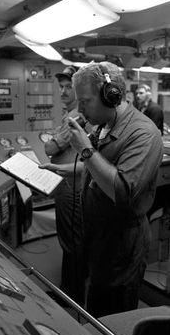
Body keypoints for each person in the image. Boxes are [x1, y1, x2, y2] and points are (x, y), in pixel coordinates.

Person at [67, 62, 163, 318]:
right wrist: (66, 168)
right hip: (99, 236)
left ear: (112, 95)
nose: (80, 108)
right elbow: (104, 166)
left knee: (112, 313)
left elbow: (121, 190)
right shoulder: (105, 123)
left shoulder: (143, 133)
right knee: (96, 303)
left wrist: (85, 150)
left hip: (122, 243)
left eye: (85, 101)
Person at [43, 65, 88, 307]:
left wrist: (51, 141)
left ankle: (72, 296)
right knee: (69, 238)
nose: (63, 91)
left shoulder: (77, 115)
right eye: (60, 87)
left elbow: (50, 148)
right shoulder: (70, 113)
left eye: (68, 87)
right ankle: (68, 290)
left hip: (71, 184)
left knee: (72, 240)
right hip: (67, 181)